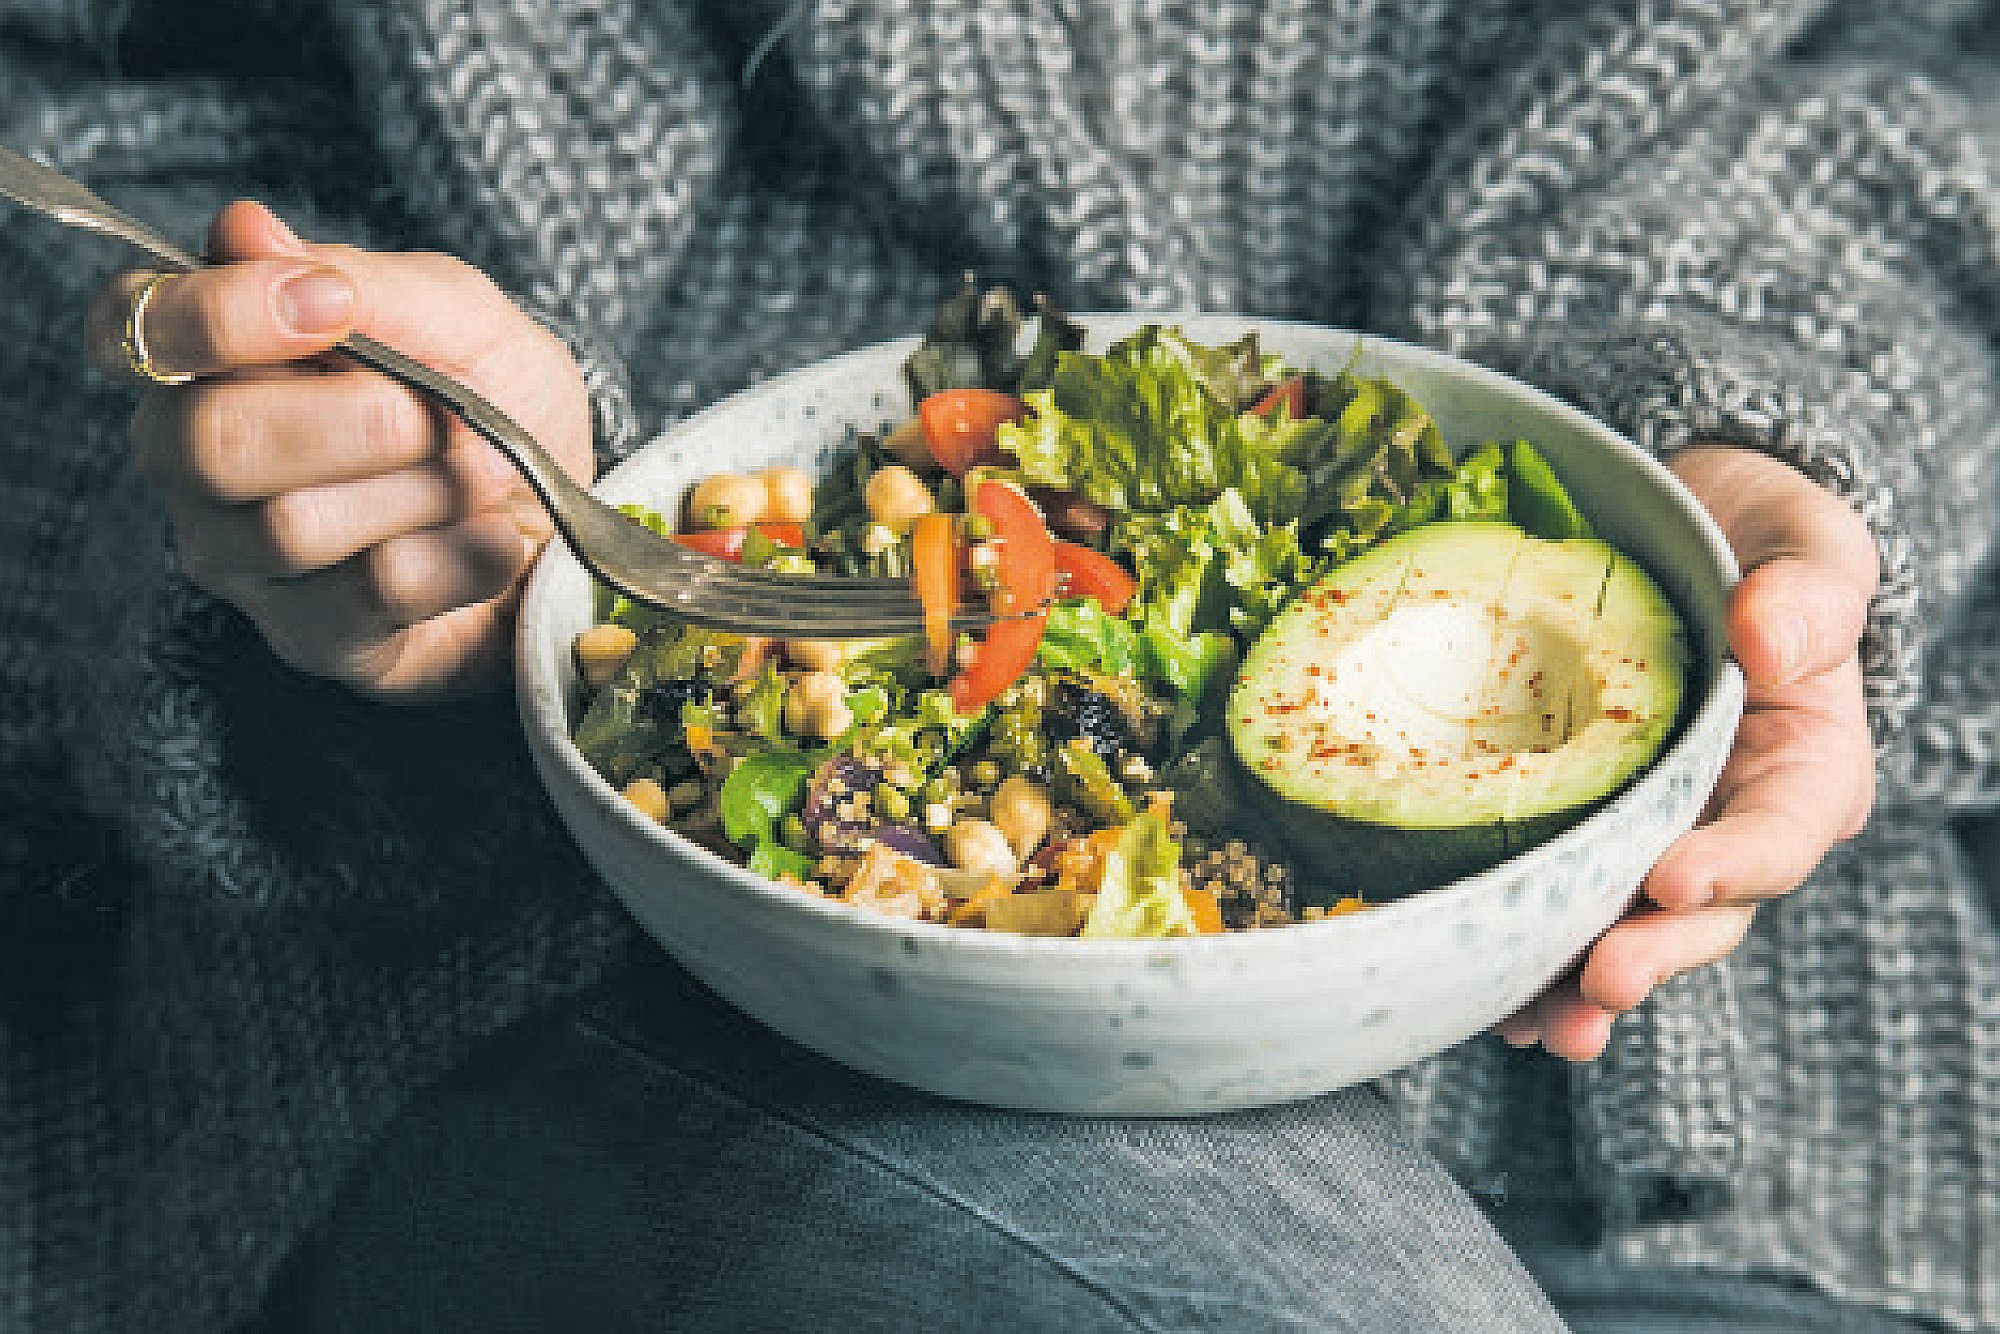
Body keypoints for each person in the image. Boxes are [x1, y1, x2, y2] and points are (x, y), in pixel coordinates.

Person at [1, 1, 1990, 1330]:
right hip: (609, 978)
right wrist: (333, 476)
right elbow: (114, 105)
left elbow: (1923, 82)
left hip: (1776, 1124)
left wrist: (1758, 436)